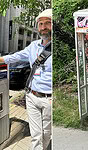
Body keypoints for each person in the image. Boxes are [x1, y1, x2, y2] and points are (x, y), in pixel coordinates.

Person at [0, 9, 52, 150]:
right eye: (41, 24)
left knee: (46, 134)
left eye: (48, 23)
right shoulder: (33, 46)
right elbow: (14, 57)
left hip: (49, 100)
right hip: (31, 97)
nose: (43, 27)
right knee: (36, 136)